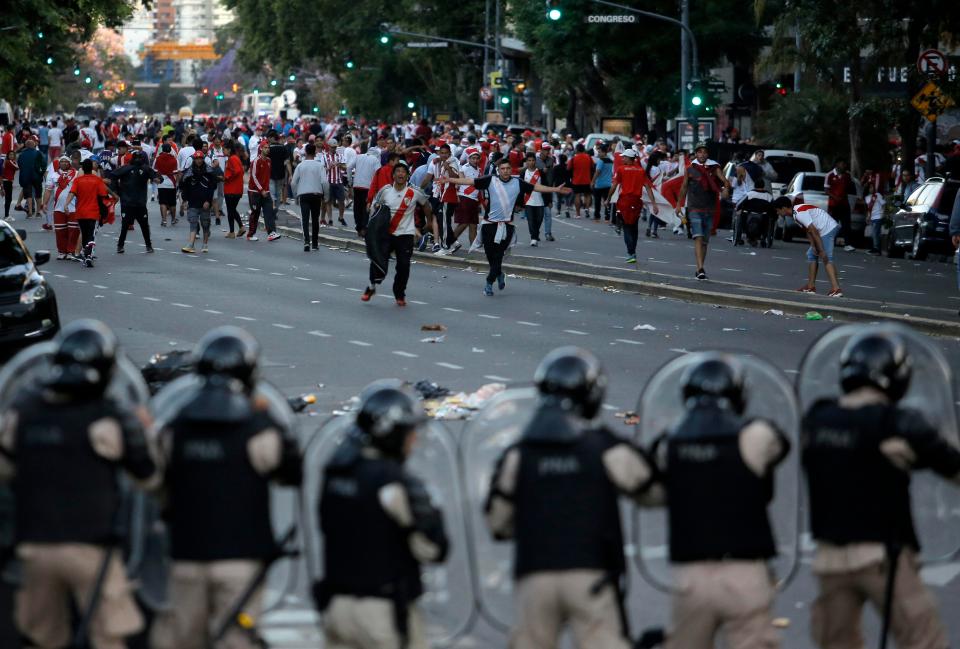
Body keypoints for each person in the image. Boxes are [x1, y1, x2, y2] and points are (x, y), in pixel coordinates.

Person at [485, 347, 660, 649]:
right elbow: (653, 493)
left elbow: (498, 523)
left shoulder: (519, 453)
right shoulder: (604, 447)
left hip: (534, 576)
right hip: (591, 576)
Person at [0, 320, 157, 649]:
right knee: (108, 635)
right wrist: (145, 431)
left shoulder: (24, 413)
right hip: (91, 548)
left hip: (34, 546)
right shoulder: (107, 419)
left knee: (41, 637)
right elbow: (147, 474)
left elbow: (6, 467)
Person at [802, 330, 960, 649]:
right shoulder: (897, 423)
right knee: (923, 638)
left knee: (836, 642)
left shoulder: (818, 418)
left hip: (830, 559)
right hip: (883, 556)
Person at [150, 327, 302, 649]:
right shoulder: (257, 429)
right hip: (241, 561)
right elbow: (290, 474)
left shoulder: (176, 427)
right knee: (236, 639)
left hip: (186, 558)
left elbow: (153, 481)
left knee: (181, 639)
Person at [648, 356, 789, 649]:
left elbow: (652, 483)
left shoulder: (670, 443)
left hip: (692, 575)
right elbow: (780, 443)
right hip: (745, 571)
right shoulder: (753, 436)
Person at [315, 381, 449, 649]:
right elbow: (432, 549)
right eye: (409, 432)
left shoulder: (336, 472)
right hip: (382, 609)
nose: (414, 440)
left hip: (337, 605)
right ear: (393, 434)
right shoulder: (390, 481)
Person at [446, 158, 571, 296]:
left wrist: (555, 189)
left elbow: (536, 187)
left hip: (506, 227)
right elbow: (469, 181)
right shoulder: (490, 180)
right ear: (498, 170)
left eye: (508, 168)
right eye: (503, 169)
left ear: (511, 170)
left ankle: (488, 283)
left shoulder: (518, 182)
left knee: (498, 257)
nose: (505, 171)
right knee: (490, 256)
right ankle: (499, 274)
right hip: (489, 225)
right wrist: (450, 180)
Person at [362, 162, 431, 306]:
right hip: (386, 234)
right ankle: (372, 287)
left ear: (407, 175)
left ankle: (400, 294)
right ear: (393, 175)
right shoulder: (385, 191)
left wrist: (429, 222)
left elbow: (426, 204)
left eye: (403, 172)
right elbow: (375, 207)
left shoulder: (414, 192)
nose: (400, 174)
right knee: (378, 261)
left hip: (405, 234)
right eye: (397, 171)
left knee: (404, 266)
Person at [675, 143, 730, 280]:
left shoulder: (714, 167)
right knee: (698, 237)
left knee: (705, 241)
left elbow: (725, 181)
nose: (702, 155)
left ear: (708, 154)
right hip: (694, 208)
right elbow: (683, 187)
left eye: (705, 152)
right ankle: (700, 268)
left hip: (710, 209)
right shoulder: (690, 169)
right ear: (696, 154)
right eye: (699, 152)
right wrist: (678, 205)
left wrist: (725, 189)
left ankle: (699, 268)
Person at [773, 197, 843, 297]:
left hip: (827, 228)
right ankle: (810, 287)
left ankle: (836, 289)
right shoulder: (796, 213)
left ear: (783, 208)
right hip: (824, 227)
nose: (777, 213)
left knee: (826, 257)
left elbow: (813, 230)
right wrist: (813, 246)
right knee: (812, 254)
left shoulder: (799, 213)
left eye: (777, 210)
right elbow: (808, 230)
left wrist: (821, 250)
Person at [607, 149, 658, 264]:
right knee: (634, 227)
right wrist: (654, 204)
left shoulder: (621, 169)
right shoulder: (641, 171)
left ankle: (630, 253)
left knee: (626, 227)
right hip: (636, 202)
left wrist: (608, 199)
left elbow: (614, 186)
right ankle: (633, 252)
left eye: (624, 157)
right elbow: (648, 188)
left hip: (624, 201)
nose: (622, 158)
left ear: (629, 158)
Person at [113, 150, 160, 254]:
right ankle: (120, 245)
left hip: (140, 203)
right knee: (125, 225)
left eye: (140, 158)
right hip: (127, 202)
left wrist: (157, 179)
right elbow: (112, 176)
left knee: (144, 225)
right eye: (136, 157)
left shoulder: (146, 169)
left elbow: (156, 176)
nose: (138, 160)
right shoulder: (125, 168)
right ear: (132, 158)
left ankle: (148, 245)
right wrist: (116, 191)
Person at [67, 158, 110, 260]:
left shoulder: (77, 180)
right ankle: (88, 255)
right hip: (93, 212)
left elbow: (72, 193)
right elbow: (103, 195)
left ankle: (85, 253)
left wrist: (66, 204)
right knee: (91, 235)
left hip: (81, 212)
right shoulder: (97, 180)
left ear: (83, 168)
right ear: (92, 169)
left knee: (84, 234)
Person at [179, 151, 219, 253]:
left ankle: (205, 244)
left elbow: (212, 187)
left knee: (205, 224)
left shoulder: (209, 172)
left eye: (200, 158)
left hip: (205, 202)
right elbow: (184, 186)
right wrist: (184, 200)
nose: (199, 160)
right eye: (197, 158)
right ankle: (191, 244)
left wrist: (208, 201)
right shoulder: (189, 172)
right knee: (193, 222)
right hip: (192, 201)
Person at [291, 142, 326, 252]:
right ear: (315, 152)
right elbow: (325, 182)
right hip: (316, 194)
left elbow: (293, 183)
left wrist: (296, 195)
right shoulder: (320, 166)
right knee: (315, 219)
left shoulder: (301, 166)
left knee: (305, 219)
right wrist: (327, 195)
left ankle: (306, 241)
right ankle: (315, 243)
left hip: (304, 194)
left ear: (305, 152)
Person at [247, 141, 280, 242]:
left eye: (268, 147)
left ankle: (271, 233)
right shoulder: (256, 161)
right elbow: (253, 177)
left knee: (269, 211)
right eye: (265, 147)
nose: (268, 149)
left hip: (266, 192)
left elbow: (267, 177)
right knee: (255, 213)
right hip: (255, 192)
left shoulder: (269, 161)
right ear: (261, 149)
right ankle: (250, 234)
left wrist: (266, 189)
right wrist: (261, 190)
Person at [350, 145, 381, 236]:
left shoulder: (358, 157)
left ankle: (358, 226)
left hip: (356, 186)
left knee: (357, 207)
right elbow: (378, 173)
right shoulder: (375, 160)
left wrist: (349, 181)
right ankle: (363, 227)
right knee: (365, 208)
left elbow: (348, 167)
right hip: (368, 187)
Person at [824, 158, 855, 251]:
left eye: (845, 164)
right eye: (842, 164)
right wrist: (834, 197)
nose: (844, 166)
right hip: (834, 204)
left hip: (844, 204)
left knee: (846, 224)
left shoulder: (847, 176)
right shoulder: (829, 175)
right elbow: (826, 190)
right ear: (837, 164)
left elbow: (850, 188)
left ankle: (847, 244)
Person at [735, 180, 775, 248]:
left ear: (755, 185)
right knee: (770, 219)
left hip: (748, 217)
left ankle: (739, 238)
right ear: (763, 186)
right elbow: (773, 208)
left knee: (741, 216)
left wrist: (738, 209)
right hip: (763, 218)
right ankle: (764, 238)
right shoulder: (769, 196)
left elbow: (739, 204)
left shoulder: (749, 194)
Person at [222, 141, 246, 238]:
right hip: (235, 189)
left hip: (232, 189)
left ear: (229, 150)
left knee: (230, 210)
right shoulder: (235, 158)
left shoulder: (232, 159)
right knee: (232, 210)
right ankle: (238, 229)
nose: (223, 151)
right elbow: (241, 171)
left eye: (224, 149)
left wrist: (227, 177)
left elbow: (237, 171)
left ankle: (235, 230)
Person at [522, 152, 547, 247]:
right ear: (526, 162)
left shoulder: (540, 173)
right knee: (531, 221)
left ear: (535, 162)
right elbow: (520, 189)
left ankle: (535, 234)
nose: (531, 162)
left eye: (533, 160)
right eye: (529, 160)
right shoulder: (523, 173)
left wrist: (548, 201)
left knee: (539, 220)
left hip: (540, 201)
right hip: (528, 201)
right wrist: (519, 203)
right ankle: (533, 238)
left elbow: (546, 186)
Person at [153, 143, 180, 227]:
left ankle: (164, 220)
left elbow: (154, 171)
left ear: (162, 149)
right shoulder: (175, 159)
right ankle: (173, 219)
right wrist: (177, 183)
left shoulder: (157, 159)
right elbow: (177, 172)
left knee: (163, 202)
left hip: (161, 183)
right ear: (170, 150)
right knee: (172, 203)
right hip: (172, 183)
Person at [567, 144, 594, 218]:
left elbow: (568, 168)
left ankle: (578, 214)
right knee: (587, 195)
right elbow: (593, 166)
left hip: (576, 181)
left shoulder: (573, 158)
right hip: (587, 180)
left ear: (577, 150)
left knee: (577, 196)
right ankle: (587, 209)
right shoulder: (588, 157)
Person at [590, 144, 614, 221]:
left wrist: (592, 181)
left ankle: (597, 216)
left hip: (599, 184)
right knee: (607, 201)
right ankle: (607, 217)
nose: (598, 154)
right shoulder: (610, 161)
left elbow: (597, 172)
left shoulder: (601, 161)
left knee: (597, 201)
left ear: (604, 153)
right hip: (608, 184)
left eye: (600, 152)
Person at [865, 180, 885, 255]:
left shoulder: (877, 195)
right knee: (873, 233)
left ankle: (876, 249)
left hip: (878, 216)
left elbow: (883, 204)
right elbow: (869, 208)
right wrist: (868, 216)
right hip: (872, 217)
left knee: (875, 233)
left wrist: (883, 213)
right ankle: (875, 248)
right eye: (870, 187)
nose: (871, 189)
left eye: (872, 187)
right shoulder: (867, 197)